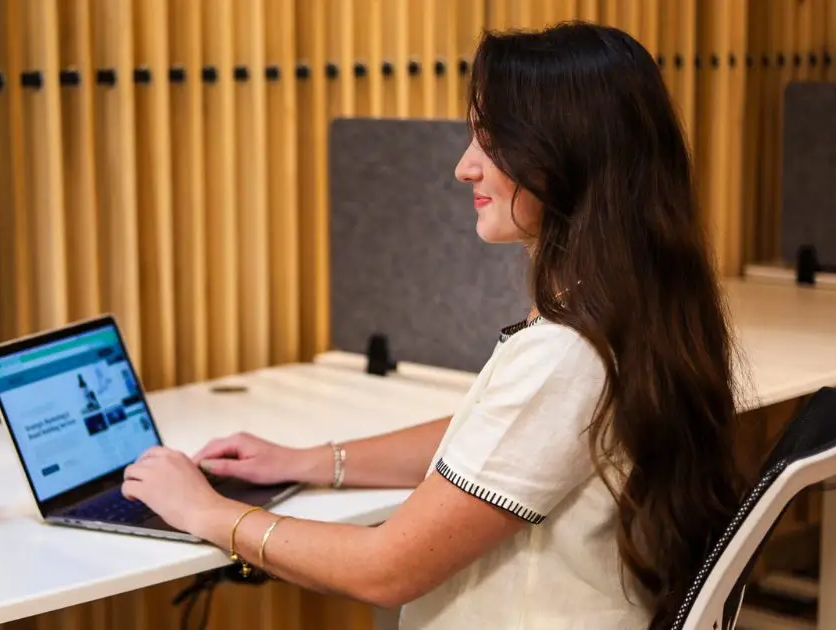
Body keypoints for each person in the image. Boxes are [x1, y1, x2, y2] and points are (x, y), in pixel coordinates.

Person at [121, 20, 745, 630]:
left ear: (565, 155)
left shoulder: (567, 352)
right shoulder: (636, 302)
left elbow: (385, 569)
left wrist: (206, 512)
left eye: (490, 142)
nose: (464, 168)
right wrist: (308, 461)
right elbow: (495, 439)